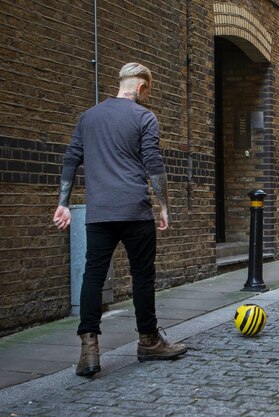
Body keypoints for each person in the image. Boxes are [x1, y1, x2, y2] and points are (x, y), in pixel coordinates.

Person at [53, 63, 187, 377]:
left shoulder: (88, 117)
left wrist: (63, 203)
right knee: (142, 276)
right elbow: (154, 164)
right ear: (142, 87)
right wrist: (164, 206)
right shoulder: (144, 117)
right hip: (135, 211)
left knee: (93, 275)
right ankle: (149, 341)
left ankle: (89, 350)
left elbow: (72, 158)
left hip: (99, 213)